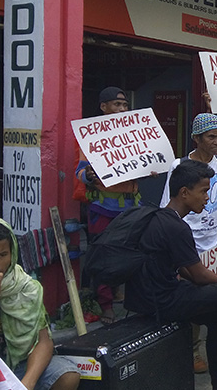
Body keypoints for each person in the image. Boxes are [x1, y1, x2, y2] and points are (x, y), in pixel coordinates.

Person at [125, 160, 217, 390]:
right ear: (184, 192)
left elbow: (186, 270)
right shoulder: (176, 227)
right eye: (203, 191)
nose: (207, 197)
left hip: (154, 294)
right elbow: (199, 275)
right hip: (162, 300)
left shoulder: (161, 217)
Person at [0, 218, 80, 390]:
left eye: (2, 255)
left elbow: (43, 342)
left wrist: (26, 384)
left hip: (18, 365)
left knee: (67, 376)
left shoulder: (24, 286)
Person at [160, 113, 217, 374]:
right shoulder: (179, 166)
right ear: (196, 138)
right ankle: (194, 351)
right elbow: (168, 206)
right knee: (192, 299)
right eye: (211, 137)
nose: (216, 142)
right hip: (188, 247)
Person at [75, 86, 141, 325]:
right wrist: (89, 175)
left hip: (131, 207)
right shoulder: (91, 137)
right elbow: (79, 172)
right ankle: (106, 304)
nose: (122, 109)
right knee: (103, 254)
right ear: (103, 107)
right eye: (117, 105)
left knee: (131, 252)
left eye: (125, 105)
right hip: (103, 208)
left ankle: (121, 293)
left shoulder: (136, 134)